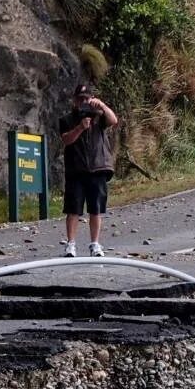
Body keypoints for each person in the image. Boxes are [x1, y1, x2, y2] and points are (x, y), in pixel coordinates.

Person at [57, 83, 119, 258]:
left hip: (98, 168)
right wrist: (80, 127)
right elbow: (66, 140)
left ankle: (95, 243)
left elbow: (114, 121)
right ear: (75, 101)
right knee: (73, 209)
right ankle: (71, 244)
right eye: (80, 99)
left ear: (92, 98)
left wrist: (102, 106)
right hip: (76, 170)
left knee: (96, 208)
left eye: (87, 98)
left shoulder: (99, 117)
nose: (84, 102)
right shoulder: (67, 119)